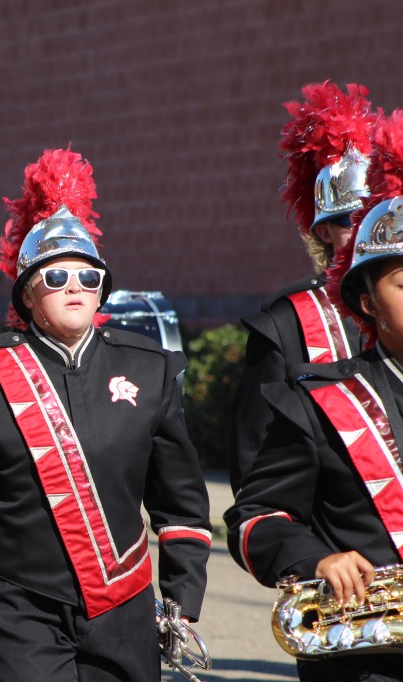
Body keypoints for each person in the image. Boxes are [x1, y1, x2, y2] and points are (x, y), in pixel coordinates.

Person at [0, 149, 211, 681]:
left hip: (124, 604)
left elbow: (180, 499)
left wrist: (182, 591)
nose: (74, 286)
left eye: (88, 277)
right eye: (56, 277)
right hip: (14, 603)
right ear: (26, 294)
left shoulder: (150, 369)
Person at [225, 110, 403, 682]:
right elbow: (256, 511)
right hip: (367, 654)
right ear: (368, 303)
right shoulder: (315, 392)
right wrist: (313, 557)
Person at [231, 81, 377, 490]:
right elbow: (253, 474)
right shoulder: (287, 321)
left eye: (378, 215)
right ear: (325, 230)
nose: (367, 230)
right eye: (351, 218)